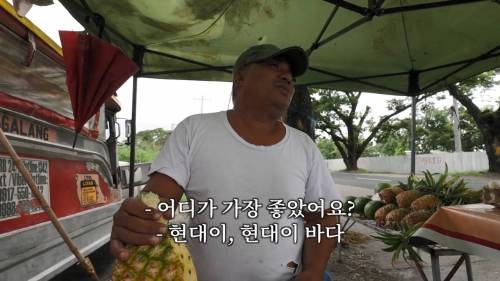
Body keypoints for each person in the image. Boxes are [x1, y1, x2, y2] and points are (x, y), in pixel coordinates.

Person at [110, 44, 342, 281]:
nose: (287, 77)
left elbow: (322, 217)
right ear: (240, 78)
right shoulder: (195, 130)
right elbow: (158, 200)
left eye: (292, 75)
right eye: (274, 66)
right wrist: (137, 218)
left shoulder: (304, 146)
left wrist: (313, 271)